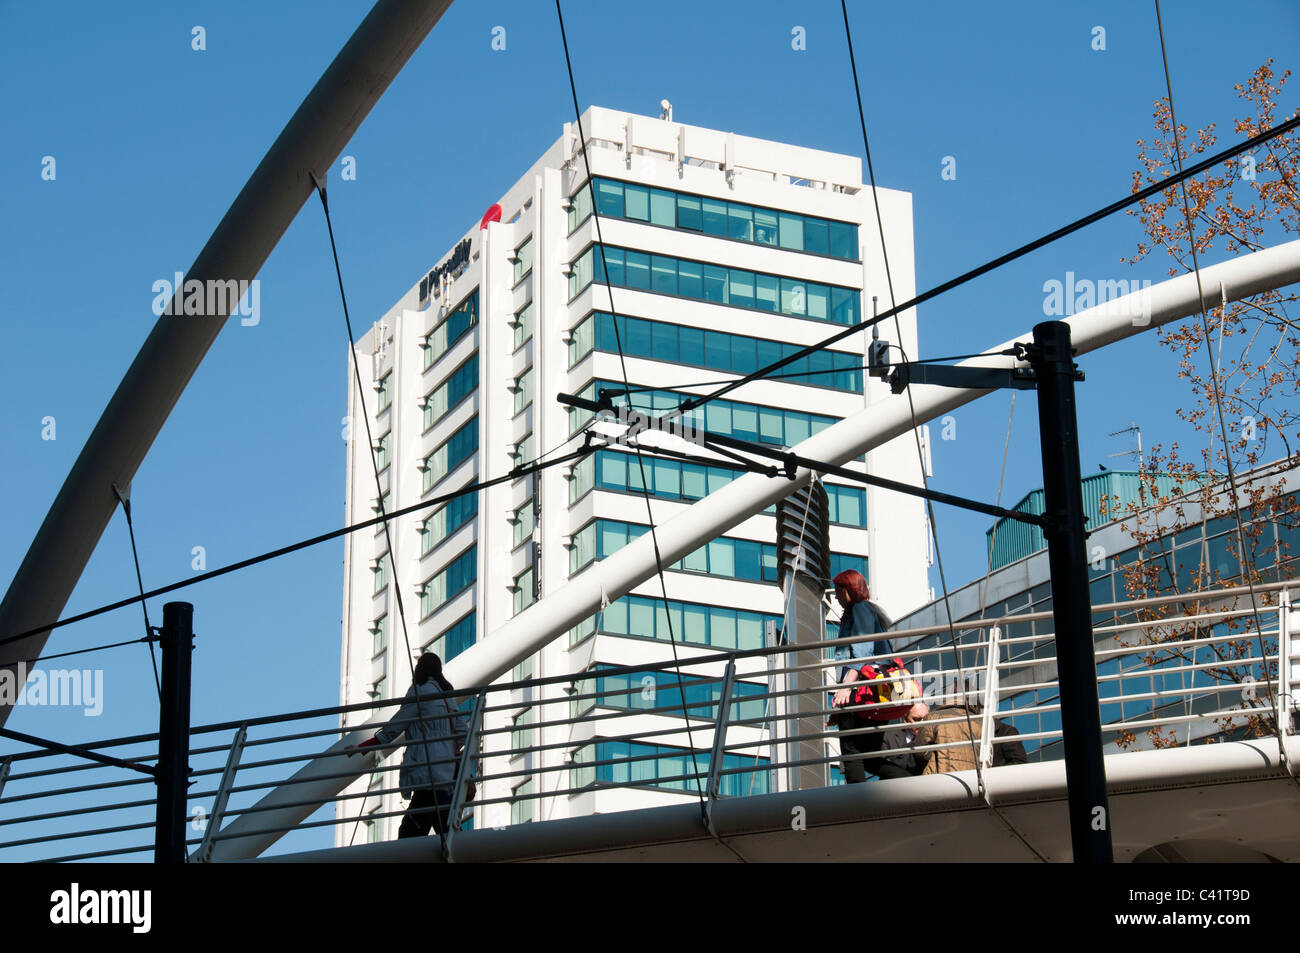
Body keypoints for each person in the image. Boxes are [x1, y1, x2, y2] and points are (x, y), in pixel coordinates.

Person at [351, 653, 471, 838]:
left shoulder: (419, 691)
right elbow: (463, 731)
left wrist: (364, 746)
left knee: (412, 831)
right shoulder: (446, 695)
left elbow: (396, 726)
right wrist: (447, 747)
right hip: (445, 770)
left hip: (426, 768)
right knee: (439, 821)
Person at [829, 569, 910, 782]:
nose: (836, 597)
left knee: (851, 750)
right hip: (870, 692)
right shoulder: (863, 611)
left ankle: (856, 803)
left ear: (849, 589)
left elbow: (862, 651)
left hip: (860, 692)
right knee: (870, 755)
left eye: (838, 591)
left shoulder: (860, 609)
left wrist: (845, 688)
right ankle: (906, 779)